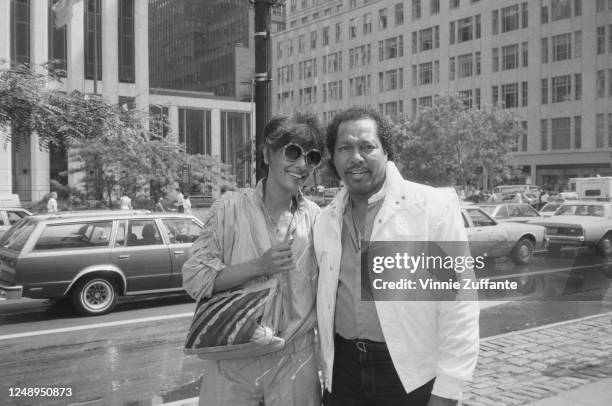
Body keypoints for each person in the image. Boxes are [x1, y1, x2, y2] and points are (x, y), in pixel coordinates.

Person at [314, 107, 479, 406]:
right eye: (345, 148)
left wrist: (448, 390)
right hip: (343, 371)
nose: (356, 157)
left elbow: (460, 305)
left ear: (387, 152)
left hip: (408, 372)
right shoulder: (326, 220)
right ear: (333, 157)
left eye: (367, 147)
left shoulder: (431, 208)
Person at [182, 112, 325, 406]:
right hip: (233, 361)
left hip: (296, 361)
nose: (301, 164)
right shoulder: (230, 208)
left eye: (311, 158)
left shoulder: (317, 218)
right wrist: (259, 266)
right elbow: (195, 278)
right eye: (293, 152)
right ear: (267, 153)